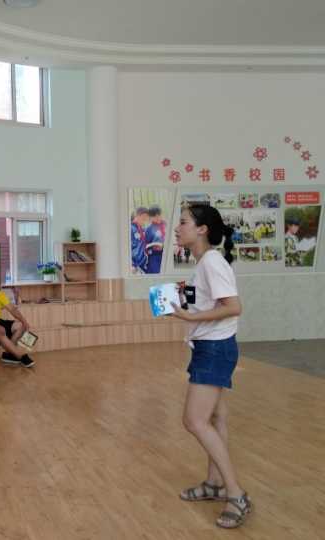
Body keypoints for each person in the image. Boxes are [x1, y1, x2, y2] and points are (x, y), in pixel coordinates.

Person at [170, 204, 252, 529]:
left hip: (215, 349)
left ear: (202, 229)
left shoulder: (212, 262)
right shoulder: (204, 262)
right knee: (215, 417)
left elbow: (233, 307)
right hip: (209, 346)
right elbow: (209, 301)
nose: (177, 228)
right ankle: (215, 484)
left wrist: (189, 316)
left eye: (183, 222)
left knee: (194, 420)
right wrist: (185, 297)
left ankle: (236, 494)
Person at [145, 206, 166, 274]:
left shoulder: (166, 225)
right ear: (150, 217)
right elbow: (146, 245)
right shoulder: (149, 229)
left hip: (167, 254)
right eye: (154, 216)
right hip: (155, 255)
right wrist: (153, 246)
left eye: (159, 215)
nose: (157, 218)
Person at [131, 207, 149, 273]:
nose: (145, 221)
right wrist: (132, 264)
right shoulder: (130, 229)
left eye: (146, 219)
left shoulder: (142, 229)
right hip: (134, 265)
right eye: (144, 218)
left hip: (142, 264)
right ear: (138, 216)